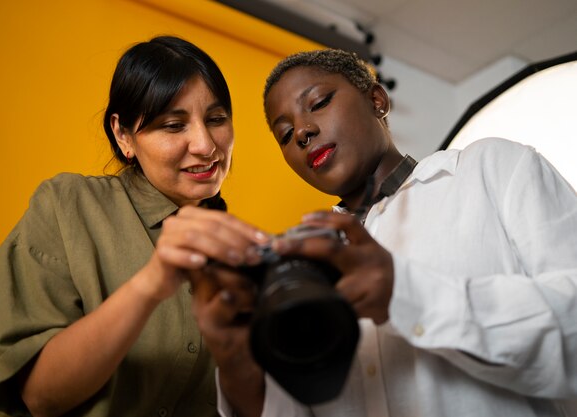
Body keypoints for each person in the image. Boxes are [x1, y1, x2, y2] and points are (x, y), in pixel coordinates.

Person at [192, 48, 577, 417]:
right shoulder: (304, 266)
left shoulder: (493, 169)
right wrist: (235, 359)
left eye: (319, 102)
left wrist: (404, 293)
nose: (303, 132)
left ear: (377, 100)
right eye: (285, 133)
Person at [0, 35, 269, 417]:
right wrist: (151, 284)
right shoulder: (67, 206)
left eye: (216, 119)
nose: (205, 144)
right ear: (123, 135)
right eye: (173, 125)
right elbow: (40, 397)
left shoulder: (241, 252)